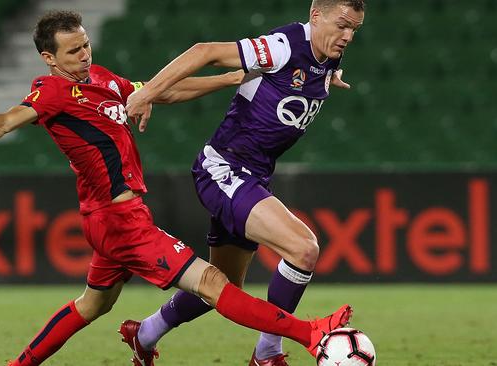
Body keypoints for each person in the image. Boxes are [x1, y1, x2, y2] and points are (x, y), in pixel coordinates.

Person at [0, 10, 351, 366]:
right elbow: (4, 121)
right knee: (215, 284)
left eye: (85, 45)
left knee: (91, 306)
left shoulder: (101, 79)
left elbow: (163, 94)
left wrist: (227, 79)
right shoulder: (51, 93)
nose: (84, 55)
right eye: (72, 51)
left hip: (112, 217)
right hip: (120, 223)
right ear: (49, 59)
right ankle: (308, 334)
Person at [124, 0, 365, 365]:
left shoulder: (326, 53)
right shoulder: (283, 46)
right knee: (303, 248)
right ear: (316, 16)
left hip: (252, 175)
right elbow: (204, 52)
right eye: (342, 25)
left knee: (222, 286)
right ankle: (268, 354)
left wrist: (329, 74)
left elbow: (314, 68)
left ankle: (144, 334)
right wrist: (147, 92)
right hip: (223, 168)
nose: (347, 36)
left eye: (354, 30)